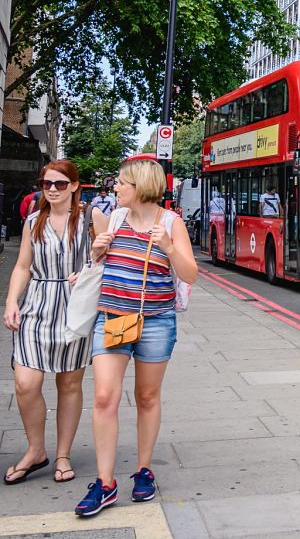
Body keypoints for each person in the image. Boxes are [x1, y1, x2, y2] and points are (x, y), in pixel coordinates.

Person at [75, 158, 198, 517]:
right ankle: (105, 483)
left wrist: (169, 248)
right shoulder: (111, 218)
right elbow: (96, 261)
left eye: (121, 183)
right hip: (112, 318)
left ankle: (144, 470)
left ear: (141, 186)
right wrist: (98, 249)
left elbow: (190, 275)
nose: (115, 188)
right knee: (103, 397)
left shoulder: (171, 224)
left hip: (156, 322)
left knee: (146, 397)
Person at [3, 161, 91, 485]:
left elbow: (111, 259)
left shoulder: (90, 219)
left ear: (74, 185)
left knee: (68, 384)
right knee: (26, 383)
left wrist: (88, 273)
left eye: (59, 183)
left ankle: (63, 454)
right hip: (37, 306)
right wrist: (12, 301)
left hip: (75, 310)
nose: (52, 189)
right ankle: (36, 450)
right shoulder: (33, 221)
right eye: (46, 183)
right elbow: (23, 266)